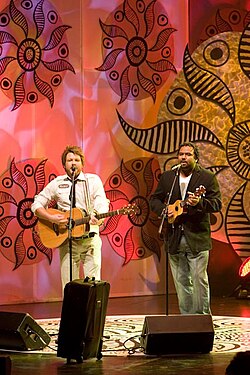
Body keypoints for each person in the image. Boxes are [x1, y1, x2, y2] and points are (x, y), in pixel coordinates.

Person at [149, 142, 222, 314]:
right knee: (181, 281)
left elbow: (216, 204)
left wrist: (199, 202)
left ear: (196, 158)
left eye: (188, 154)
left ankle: (202, 319)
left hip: (197, 237)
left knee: (198, 280)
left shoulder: (206, 177)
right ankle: (188, 319)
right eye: (181, 154)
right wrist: (164, 210)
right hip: (174, 237)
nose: (183, 157)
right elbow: (154, 200)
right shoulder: (169, 177)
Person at [31, 145, 109, 289]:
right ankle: (72, 312)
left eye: (77, 160)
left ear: (82, 163)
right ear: (64, 164)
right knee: (69, 287)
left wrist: (98, 216)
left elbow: (101, 203)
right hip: (68, 242)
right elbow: (36, 204)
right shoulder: (57, 183)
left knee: (93, 286)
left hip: (90, 240)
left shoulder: (93, 181)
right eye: (69, 160)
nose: (73, 163)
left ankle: (90, 312)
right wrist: (51, 218)